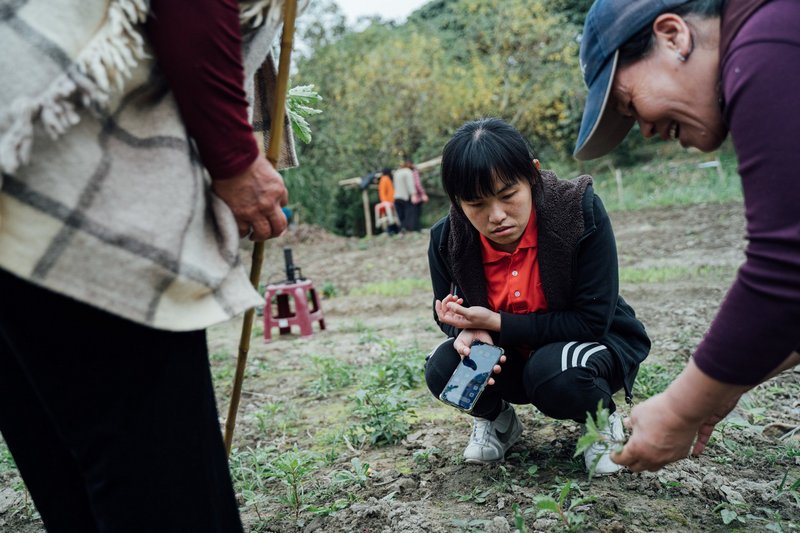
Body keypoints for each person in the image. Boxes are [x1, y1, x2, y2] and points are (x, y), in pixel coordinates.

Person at [0, 0, 304, 530]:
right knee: (164, 491)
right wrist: (232, 157)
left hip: (20, 155)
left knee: (74, 467)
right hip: (67, 166)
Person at [573, 0, 800, 472]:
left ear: (674, 36)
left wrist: (682, 407)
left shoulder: (763, 47)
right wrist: (723, 388)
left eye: (628, 105)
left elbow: (787, 267)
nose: (647, 130)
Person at [424, 118, 650, 475]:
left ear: (532, 175)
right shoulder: (448, 239)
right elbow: (448, 311)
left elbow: (591, 321)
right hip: (510, 356)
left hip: (588, 344)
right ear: (457, 201)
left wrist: (495, 322)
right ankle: (498, 423)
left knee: (555, 373)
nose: (496, 216)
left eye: (508, 195)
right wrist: (464, 330)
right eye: (476, 203)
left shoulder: (578, 211)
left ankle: (601, 423)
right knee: (444, 367)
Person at [392, 160, 416, 233]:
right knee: (408, 213)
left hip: (396, 197)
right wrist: (413, 194)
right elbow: (410, 184)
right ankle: (408, 229)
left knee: (400, 214)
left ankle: (401, 229)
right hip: (405, 197)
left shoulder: (396, 172)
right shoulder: (408, 172)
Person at [377, 167, 400, 235]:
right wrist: (385, 202)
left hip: (389, 201)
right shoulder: (385, 179)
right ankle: (391, 231)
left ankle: (394, 230)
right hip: (388, 202)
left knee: (392, 217)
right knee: (390, 218)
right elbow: (382, 192)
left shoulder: (385, 179)